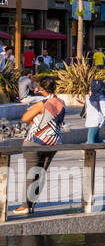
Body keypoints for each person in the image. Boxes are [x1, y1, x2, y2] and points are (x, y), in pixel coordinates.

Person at [12, 77, 65, 216]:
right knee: (40, 174)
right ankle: (31, 205)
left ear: (41, 89)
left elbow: (24, 118)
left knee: (31, 174)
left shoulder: (42, 104)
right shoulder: (61, 103)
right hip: (53, 142)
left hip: (35, 142)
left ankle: (25, 206)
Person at [84, 77, 105, 149]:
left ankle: (88, 157)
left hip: (96, 121)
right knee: (97, 139)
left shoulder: (101, 97)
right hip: (92, 120)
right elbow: (92, 104)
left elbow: (104, 110)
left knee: (90, 141)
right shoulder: (92, 96)